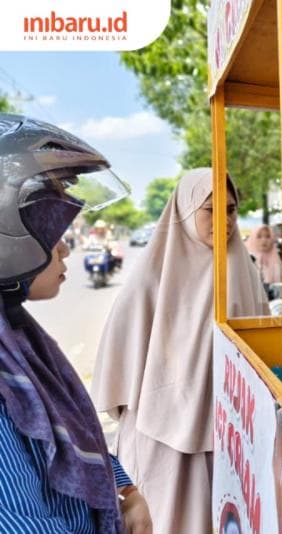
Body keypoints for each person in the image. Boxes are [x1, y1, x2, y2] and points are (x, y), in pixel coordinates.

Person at [91, 168, 268, 533]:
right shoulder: (150, 278)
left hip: (229, 436)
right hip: (164, 439)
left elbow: (262, 347)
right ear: (185, 211)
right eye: (210, 209)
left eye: (231, 209)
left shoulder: (245, 272)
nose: (225, 220)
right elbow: (118, 369)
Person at [0, 113, 151, 532]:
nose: (65, 249)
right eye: (51, 228)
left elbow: (66, 430)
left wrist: (124, 488)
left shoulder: (18, 340)